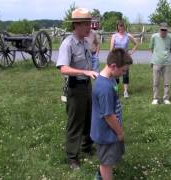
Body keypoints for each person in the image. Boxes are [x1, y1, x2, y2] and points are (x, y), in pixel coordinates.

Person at [56, 8, 98, 170]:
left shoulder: (85, 42)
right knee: (75, 123)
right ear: (77, 25)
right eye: (87, 24)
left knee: (89, 118)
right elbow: (63, 69)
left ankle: (87, 147)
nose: (90, 27)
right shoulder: (68, 44)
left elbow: (90, 59)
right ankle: (72, 157)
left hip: (87, 86)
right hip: (75, 88)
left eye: (90, 23)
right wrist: (84, 72)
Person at [91, 48, 133, 180]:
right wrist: (119, 133)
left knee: (109, 157)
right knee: (106, 163)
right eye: (123, 70)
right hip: (106, 133)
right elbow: (108, 115)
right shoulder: (105, 87)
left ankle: (100, 174)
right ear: (113, 66)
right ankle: (103, 176)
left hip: (109, 130)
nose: (124, 73)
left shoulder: (110, 79)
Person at [110, 20, 138, 98]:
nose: (121, 27)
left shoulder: (128, 35)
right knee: (116, 76)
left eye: (122, 26)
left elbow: (136, 44)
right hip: (116, 58)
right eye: (120, 26)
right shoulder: (114, 36)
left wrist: (131, 52)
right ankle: (115, 91)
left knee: (125, 75)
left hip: (125, 58)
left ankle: (125, 92)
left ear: (124, 26)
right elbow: (111, 48)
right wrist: (111, 57)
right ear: (117, 27)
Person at [150, 22, 171, 105]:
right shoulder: (154, 37)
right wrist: (156, 57)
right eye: (162, 30)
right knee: (155, 81)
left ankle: (166, 98)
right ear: (159, 29)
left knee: (167, 82)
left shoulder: (170, 37)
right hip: (156, 62)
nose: (163, 31)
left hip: (167, 63)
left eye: (165, 30)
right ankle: (155, 98)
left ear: (167, 30)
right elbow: (151, 48)